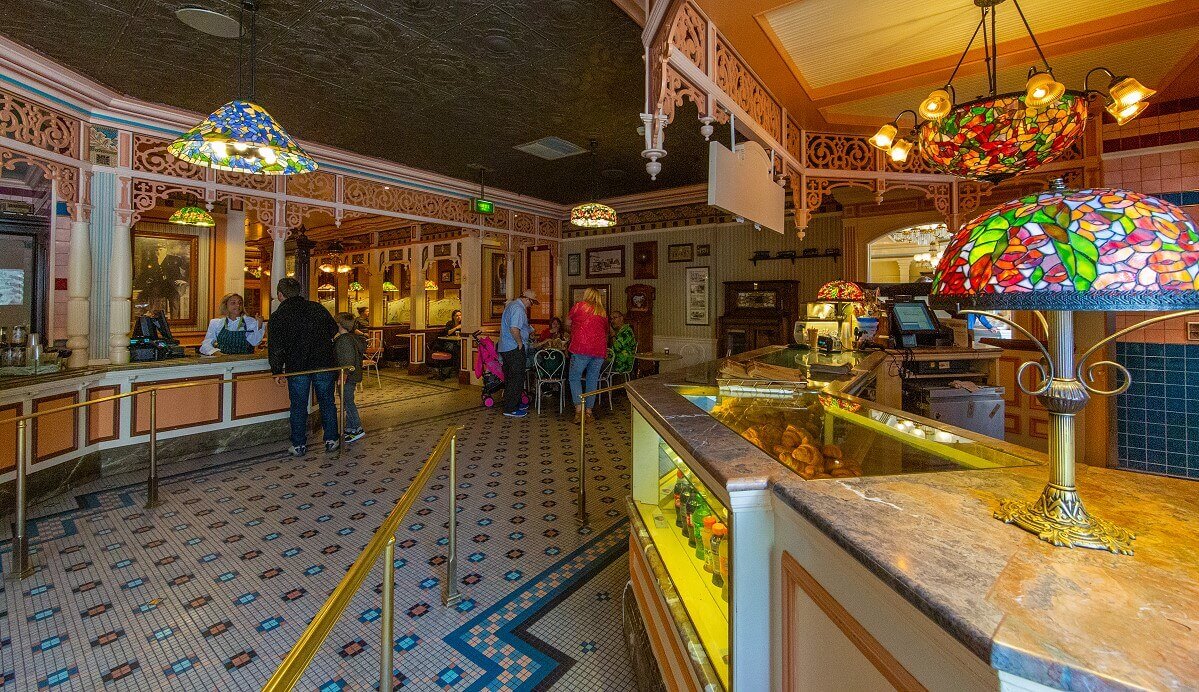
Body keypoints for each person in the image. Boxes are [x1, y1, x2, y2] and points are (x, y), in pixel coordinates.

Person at [268, 276, 340, 456]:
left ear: (280, 295)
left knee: (298, 405)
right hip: (324, 364)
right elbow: (333, 330)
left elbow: (276, 346)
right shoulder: (317, 308)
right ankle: (332, 439)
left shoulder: (279, 316)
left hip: (298, 366)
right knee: (327, 402)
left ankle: (299, 444)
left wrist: (276, 370)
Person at [566, 288, 608, 423]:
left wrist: (573, 329)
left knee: (574, 377)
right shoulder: (602, 312)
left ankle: (579, 411)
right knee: (592, 379)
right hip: (599, 350)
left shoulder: (579, 306)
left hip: (581, 347)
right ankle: (589, 412)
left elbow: (567, 323)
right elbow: (606, 330)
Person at [497, 289, 537, 418]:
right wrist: (520, 343)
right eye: (532, 302)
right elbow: (514, 328)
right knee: (516, 379)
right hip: (514, 348)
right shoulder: (519, 309)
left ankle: (513, 404)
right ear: (526, 299)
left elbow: (520, 326)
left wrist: (529, 330)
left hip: (505, 348)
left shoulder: (512, 306)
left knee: (510, 378)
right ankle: (511, 408)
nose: (531, 305)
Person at [334, 312, 367, 444]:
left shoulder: (344, 340)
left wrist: (343, 375)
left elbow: (347, 360)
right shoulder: (352, 338)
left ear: (340, 325)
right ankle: (350, 429)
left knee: (348, 403)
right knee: (347, 401)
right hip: (352, 376)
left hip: (347, 376)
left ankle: (357, 428)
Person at [135, 241, 189, 319]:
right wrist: (143, 283)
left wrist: (185, 280)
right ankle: (154, 318)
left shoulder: (175, 259)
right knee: (153, 295)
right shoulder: (151, 262)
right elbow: (144, 275)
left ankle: (175, 319)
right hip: (158, 286)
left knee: (174, 298)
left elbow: (189, 269)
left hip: (172, 285)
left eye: (161, 249)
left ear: (165, 250)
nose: (158, 252)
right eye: (156, 250)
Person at [199, 293, 265, 355]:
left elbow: (254, 342)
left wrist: (259, 325)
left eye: (240, 303)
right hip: (224, 362)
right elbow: (206, 344)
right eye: (233, 303)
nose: (238, 305)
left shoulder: (250, 321)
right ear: (225, 305)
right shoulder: (216, 323)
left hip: (245, 362)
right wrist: (216, 353)